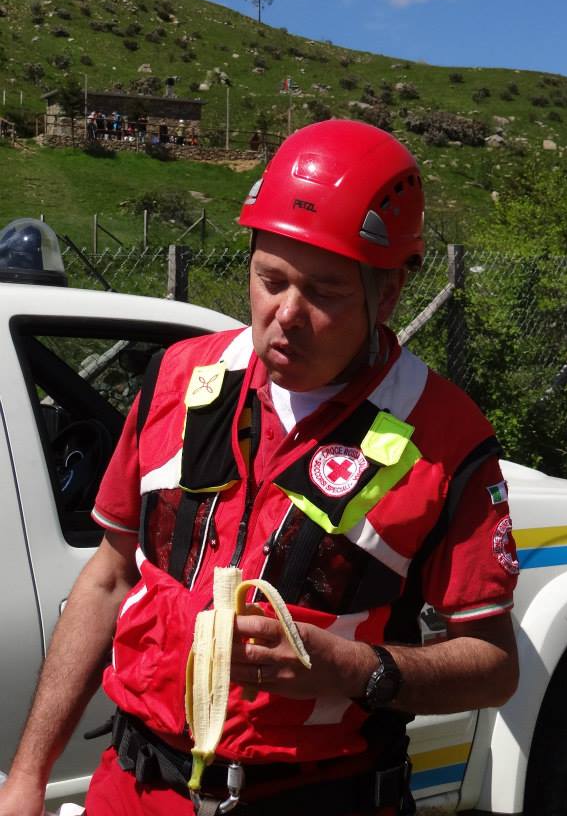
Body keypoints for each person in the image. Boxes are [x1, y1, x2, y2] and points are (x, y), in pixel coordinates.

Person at [0, 120, 518, 816]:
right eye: (269, 279)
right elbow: (108, 577)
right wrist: (27, 775)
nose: (286, 315)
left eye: (325, 293)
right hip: (136, 787)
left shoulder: (446, 438)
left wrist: (353, 670)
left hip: (318, 796)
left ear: (386, 295)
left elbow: (492, 664)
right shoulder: (179, 378)